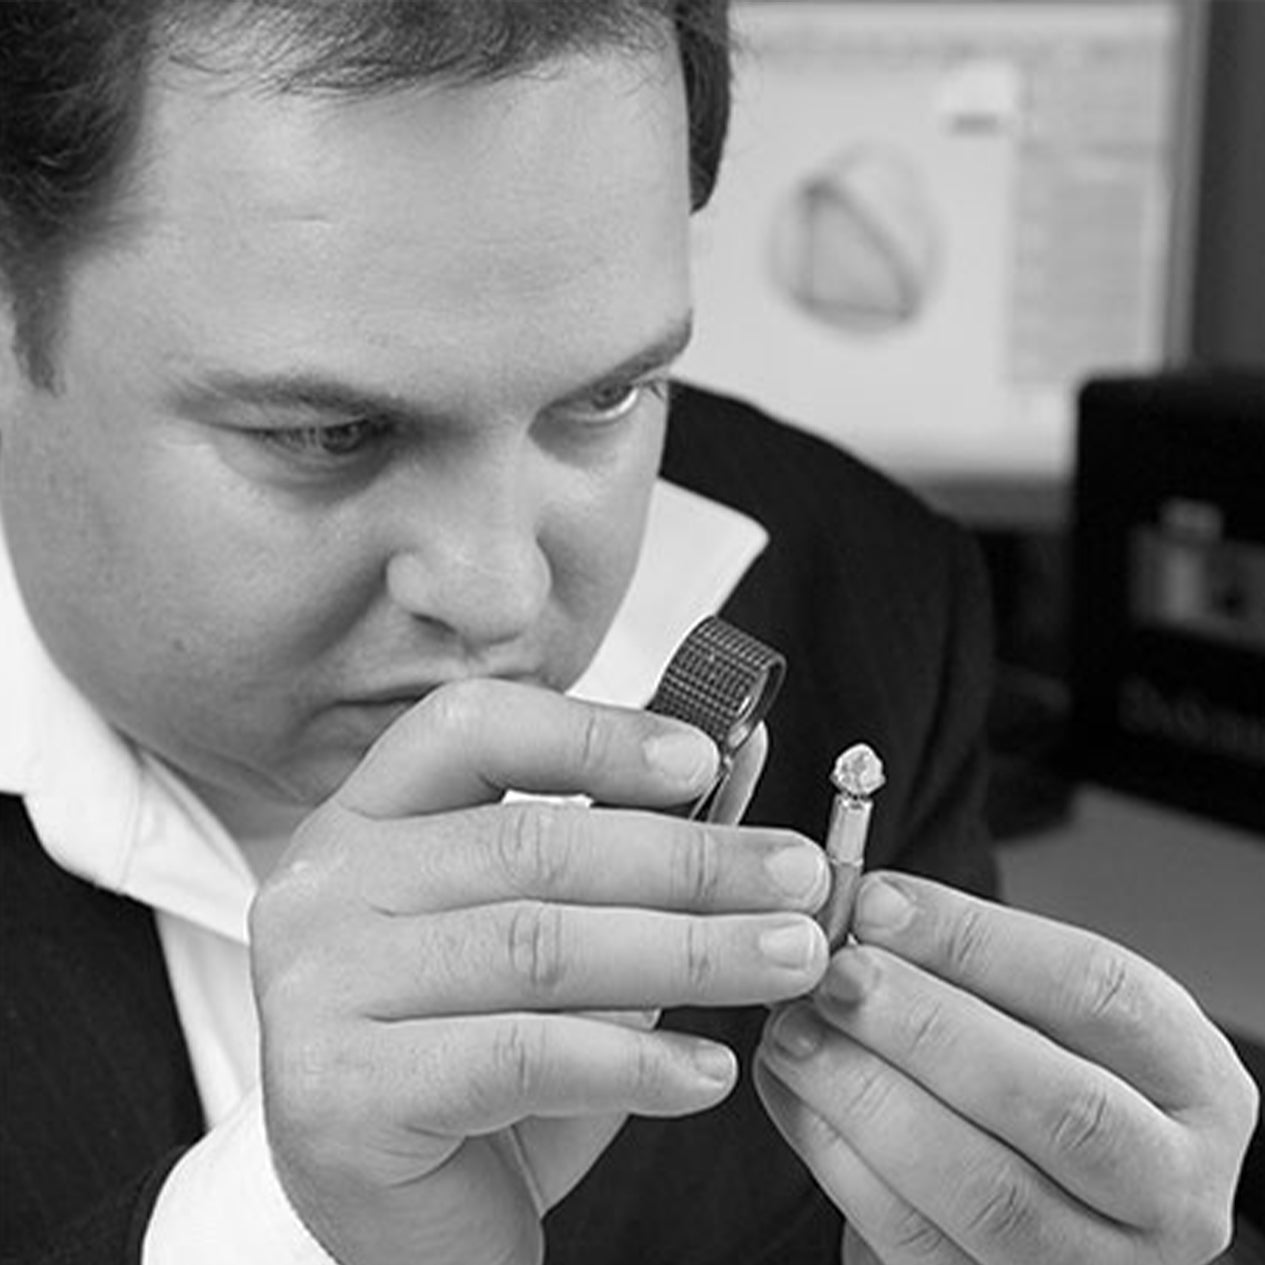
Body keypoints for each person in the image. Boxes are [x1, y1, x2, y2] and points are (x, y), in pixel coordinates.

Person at [0, 2, 1256, 1263]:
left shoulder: (862, 592)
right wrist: (292, 1228)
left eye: (604, 396)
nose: (497, 597)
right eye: (326, 434)